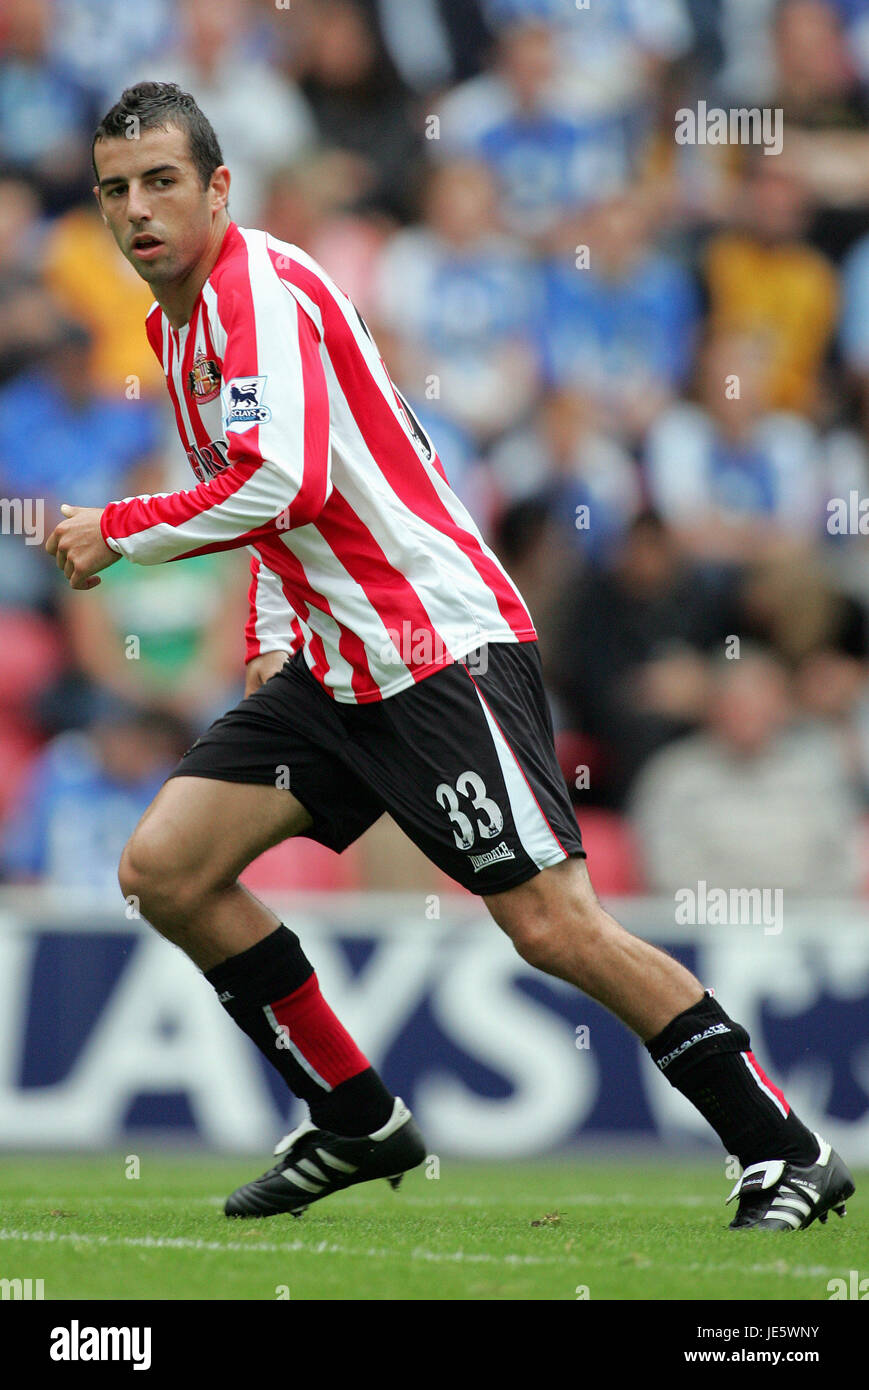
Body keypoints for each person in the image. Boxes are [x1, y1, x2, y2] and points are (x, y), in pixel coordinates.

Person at [46, 81, 854, 1231]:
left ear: (220, 187)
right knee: (168, 868)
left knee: (551, 926)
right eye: (115, 190)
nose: (137, 209)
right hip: (332, 665)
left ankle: (783, 1146)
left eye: (161, 181)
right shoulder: (181, 327)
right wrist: (270, 641)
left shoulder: (256, 292)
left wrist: (117, 530)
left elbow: (286, 479)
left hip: (432, 645)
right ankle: (354, 1118)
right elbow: (281, 514)